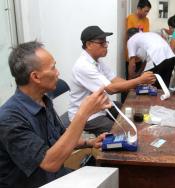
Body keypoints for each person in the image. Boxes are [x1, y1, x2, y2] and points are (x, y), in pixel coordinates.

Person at [0, 41, 112, 188]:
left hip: (56, 177)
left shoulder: (44, 101)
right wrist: (83, 113)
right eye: (53, 67)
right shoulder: (9, 119)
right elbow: (49, 163)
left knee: (109, 176)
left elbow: (60, 139)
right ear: (36, 77)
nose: (57, 72)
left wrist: (89, 142)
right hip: (39, 183)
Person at [68, 26, 156, 136]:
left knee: (130, 112)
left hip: (100, 107)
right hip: (87, 115)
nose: (106, 46)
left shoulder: (97, 61)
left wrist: (138, 85)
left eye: (106, 42)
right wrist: (139, 80)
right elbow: (110, 89)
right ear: (88, 45)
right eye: (101, 43)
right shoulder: (83, 66)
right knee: (121, 131)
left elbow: (115, 80)